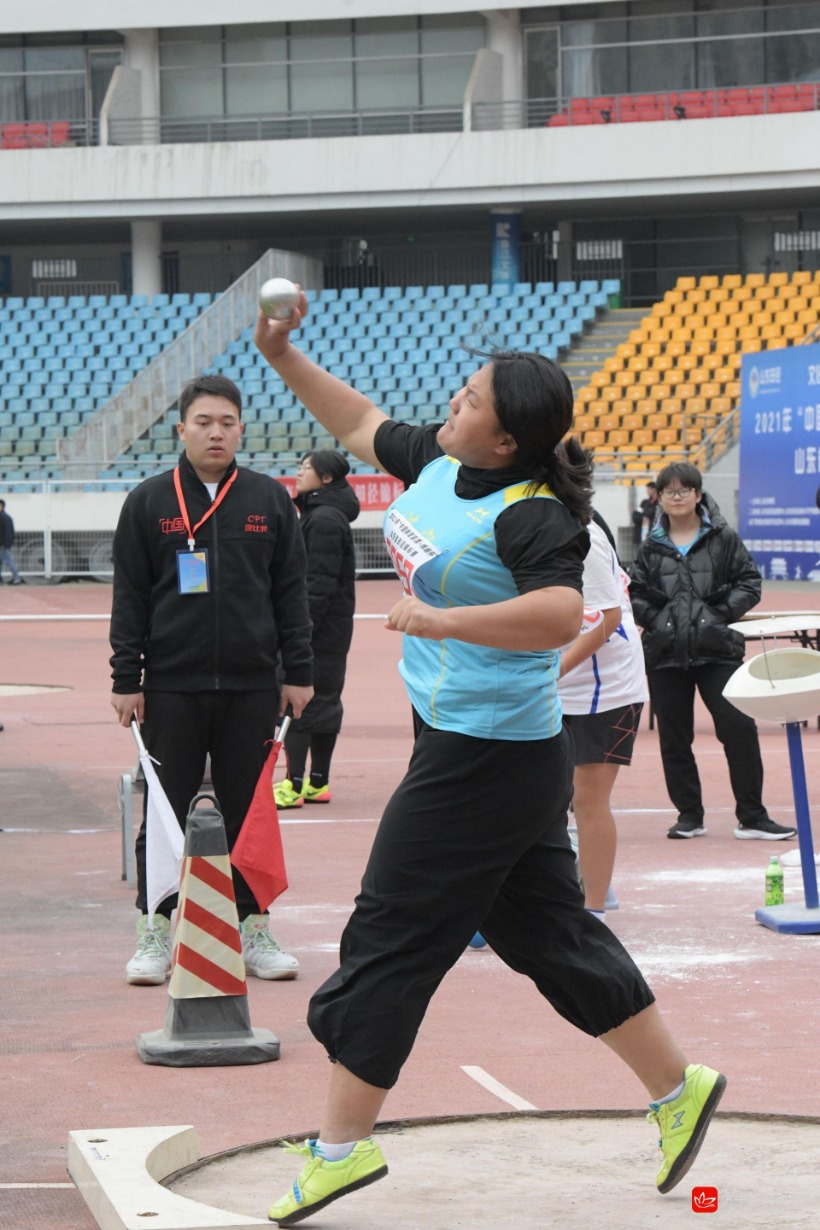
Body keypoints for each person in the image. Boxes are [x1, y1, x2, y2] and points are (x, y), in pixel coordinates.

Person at [253, 293, 726, 1226]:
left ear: (508, 442)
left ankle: (339, 1152)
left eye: (470, 401)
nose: (452, 408)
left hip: (488, 759)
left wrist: (441, 619)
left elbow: (562, 615)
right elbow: (354, 419)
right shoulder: (439, 460)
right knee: (549, 934)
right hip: (478, 744)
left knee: (390, 936)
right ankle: (680, 1090)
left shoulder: (534, 515)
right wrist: (280, 352)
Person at [109, 374, 314, 985]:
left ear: (241, 429)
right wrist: (127, 677)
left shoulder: (269, 500)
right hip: (170, 686)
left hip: (253, 686)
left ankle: (253, 927)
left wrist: (298, 672)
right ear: (181, 430)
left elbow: (290, 594)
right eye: (204, 422)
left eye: (227, 422)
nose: (216, 432)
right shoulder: (148, 502)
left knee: (249, 814)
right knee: (165, 814)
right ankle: (154, 928)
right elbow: (130, 598)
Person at [629, 462, 796, 842]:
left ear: (698, 495)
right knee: (674, 738)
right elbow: (633, 592)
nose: (677, 496)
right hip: (665, 653)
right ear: (659, 497)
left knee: (738, 730)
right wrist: (657, 620)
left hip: (718, 651)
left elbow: (750, 582)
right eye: (669, 490)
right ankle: (689, 815)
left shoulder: (723, 538)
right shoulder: (650, 546)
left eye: (684, 489)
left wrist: (716, 615)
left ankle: (752, 817)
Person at [559, 514, 648, 920]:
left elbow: (606, 620)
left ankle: (592, 911)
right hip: (555, 679)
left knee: (588, 797)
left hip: (605, 686)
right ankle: (584, 878)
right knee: (537, 797)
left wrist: (551, 671)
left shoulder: (582, 534)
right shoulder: (509, 519)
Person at [274, 450, 360, 808]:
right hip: (331, 628)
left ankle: (293, 786)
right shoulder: (324, 514)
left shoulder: (323, 519)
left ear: (325, 478)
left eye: (305, 468)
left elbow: (317, 584)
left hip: (317, 628)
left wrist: (299, 632)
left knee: (300, 701)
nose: (298, 473)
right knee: (324, 699)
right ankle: (317, 783)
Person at [0, 498, 23, 584]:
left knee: (9, 562)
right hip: (5, 544)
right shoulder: (8, 517)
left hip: (2, 545)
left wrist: (3, 543)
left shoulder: (1, 517)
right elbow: (11, 531)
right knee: (5, 562)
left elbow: (3, 532)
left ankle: (17, 578)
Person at [631, 481, 657, 547]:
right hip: (641, 538)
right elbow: (635, 516)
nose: (647, 491)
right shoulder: (644, 502)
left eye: (648, 489)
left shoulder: (660, 504)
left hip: (654, 539)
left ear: (653, 489)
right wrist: (646, 517)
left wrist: (644, 514)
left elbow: (655, 516)